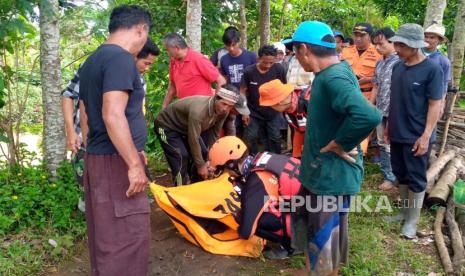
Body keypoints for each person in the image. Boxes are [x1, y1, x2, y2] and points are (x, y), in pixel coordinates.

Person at [289, 20, 381, 275]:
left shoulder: (333, 78)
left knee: (324, 240)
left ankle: (321, 271)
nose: (297, 58)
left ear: (304, 49)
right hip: (319, 172)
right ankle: (315, 269)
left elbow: (368, 116)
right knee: (316, 231)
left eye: (295, 52)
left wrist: (341, 142)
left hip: (331, 177)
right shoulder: (331, 72)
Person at [78, 5, 153, 276]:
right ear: (140, 29)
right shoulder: (120, 59)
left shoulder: (93, 60)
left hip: (99, 159)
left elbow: (85, 111)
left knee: (107, 238)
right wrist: (133, 163)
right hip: (115, 164)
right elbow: (112, 113)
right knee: (127, 241)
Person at [61, 38, 160, 213]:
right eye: (146, 63)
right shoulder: (97, 67)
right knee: (91, 187)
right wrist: (71, 132)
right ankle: (93, 218)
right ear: (134, 55)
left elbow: (134, 114)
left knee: (119, 190)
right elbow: (69, 95)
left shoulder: (140, 82)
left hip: (120, 144)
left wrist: (137, 146)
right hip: (92, 141)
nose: (147, 68)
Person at [386, 23, 443, 239]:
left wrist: (426, 136)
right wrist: (389, 126)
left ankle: (412, 221)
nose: (397, 49)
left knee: (416, 177)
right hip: (398, 130)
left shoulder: (432, 69)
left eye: (401, 45)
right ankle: (403, 213)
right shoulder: (397, 67)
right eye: (397, 44)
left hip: (418, 134)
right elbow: (395, 100)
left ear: (414, 46)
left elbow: (434, 104)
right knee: (400, 174)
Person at [208, 136, 303, 259]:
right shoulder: (262, 157)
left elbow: (246, 232)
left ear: (231, 165)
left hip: (314, 217)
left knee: (250, 218)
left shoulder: (257, 180)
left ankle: (294, 245)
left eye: (223, 170)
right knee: (267, 204)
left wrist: (239, 217)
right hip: (320, 202)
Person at [154, 84, 249, 186]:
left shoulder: (224, 112)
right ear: (216, 98)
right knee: (181, 156)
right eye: (224, 104)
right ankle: (179, 190)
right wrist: (200, 166)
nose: (226, 109)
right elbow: (193, 139)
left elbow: (215, 134)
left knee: (204, 153)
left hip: (186, 128)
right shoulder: (198, 112)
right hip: (167, 126)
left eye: (230, 106)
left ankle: (196, 186)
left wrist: (211, 160)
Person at [241, 45, 287, 155]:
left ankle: (275, 159)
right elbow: (242, 92)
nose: (268, 66)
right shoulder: (249, 71)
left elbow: (283, 88)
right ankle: (252, 159)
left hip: (273, 111)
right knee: (250, 136)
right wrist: (244, 111)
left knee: (275, 136)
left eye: (271, 63)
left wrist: (283, 105)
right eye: (265, 62)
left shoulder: (279, 69)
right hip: (254, 112)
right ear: (258, 58)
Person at [161, 33, 226, 108]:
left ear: (177, 48)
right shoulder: (173, 62)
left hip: (202, 109)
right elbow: (172, 86)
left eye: (168, 50)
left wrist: (215, 103)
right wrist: (164, 107)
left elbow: (221, 81)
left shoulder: (198, 59)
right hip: (184, 109)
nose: (167, 53)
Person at [370, 27, 399, 191]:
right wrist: (371, 106)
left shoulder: (401, 63)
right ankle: (388, 175)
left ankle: (396, 176)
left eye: (381, 44)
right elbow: (376, 86)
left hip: (396, 111)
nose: (377, 48)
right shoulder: (380, 63)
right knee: (382, 143)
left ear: (392, 42)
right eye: (375, 45)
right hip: (381, 110)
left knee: (394, 144)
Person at [219, 27, 257, 136]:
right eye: (227, 46)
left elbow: (257, 78)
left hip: (250, 98)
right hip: (232, 98)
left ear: (239, 42)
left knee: (251, 130)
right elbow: (225, 80)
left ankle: (252, 152)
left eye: (233, 45)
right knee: (236, 128)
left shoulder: (251, 56)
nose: (230, 48)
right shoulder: (224, 60)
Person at [259, 79, 309, 158]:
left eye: (271, 105)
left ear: (279, 102)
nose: (271, 108)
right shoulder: (287, 109)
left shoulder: (309, 101)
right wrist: (296, 155)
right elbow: (298, 130)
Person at [341, 22, 382, 99]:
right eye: (356, 35)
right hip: (347, 95)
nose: (358, 39)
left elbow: (384, 77)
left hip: (368, 97)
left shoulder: (378, 53)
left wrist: (369, 79)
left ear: (370, 36)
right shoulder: (346, 51)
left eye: (362, 35)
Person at [423, 23, 451, 113]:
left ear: (439, 40)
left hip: (431, 101)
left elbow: (444, 84)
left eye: (432, 38)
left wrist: (441, 104)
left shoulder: (443, 61)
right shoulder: (415, 54)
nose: (427, 40)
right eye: (426, 36)